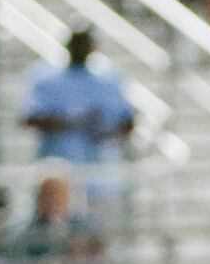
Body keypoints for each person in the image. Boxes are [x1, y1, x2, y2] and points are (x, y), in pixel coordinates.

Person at [21, 28, 136, 167]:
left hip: (99, 167)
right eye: (77, 43)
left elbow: (127, 123)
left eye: (84, 43)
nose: (80, 48)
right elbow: (29, 119)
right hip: (58, 167)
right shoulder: (48, 81)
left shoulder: (108, 82)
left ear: (92, 48)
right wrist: (71, 122)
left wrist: (103, 131)